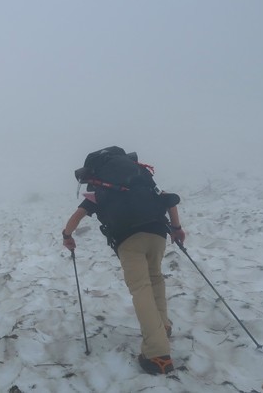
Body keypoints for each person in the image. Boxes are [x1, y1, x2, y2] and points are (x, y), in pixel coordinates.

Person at [62, 153, 186, 376]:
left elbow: (77, 216)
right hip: (157, 233)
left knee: (141, 289)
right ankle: (162, 326)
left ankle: (157, 354)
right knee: (155, 277)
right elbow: (169, 200)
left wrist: (67, 236)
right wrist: (176, 229)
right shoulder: (142, 181)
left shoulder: (99, 192)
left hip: (129, 240)